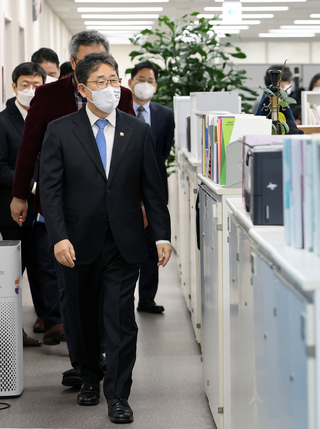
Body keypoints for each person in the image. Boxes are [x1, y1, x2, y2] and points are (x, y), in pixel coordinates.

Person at [39, 52, 171, 424]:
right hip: (76, 243)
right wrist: (58, 237)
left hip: (123, 240)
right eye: (100, 81)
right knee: (81, 318)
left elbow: (152, 188)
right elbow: (50, 190)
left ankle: (118, 394)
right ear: (82, 89)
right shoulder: (60, 130)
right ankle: (89, 376)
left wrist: (161, 234)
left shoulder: (137, 130)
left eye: (114, 80)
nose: (110, 88)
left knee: (120, 319)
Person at [11, 30, 136, 389]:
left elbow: (132, 153)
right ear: (72, 63)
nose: (95, 68)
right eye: (85, 61)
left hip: (111, 211)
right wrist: (21, 194)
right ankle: (84, 363)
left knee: (109, 294)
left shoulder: (121, 95)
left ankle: (103, 362)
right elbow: (28, 146)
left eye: (102, 60)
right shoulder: (49, 95)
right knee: (74, 292)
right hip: (65, 209)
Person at [0, 62, 50, 348]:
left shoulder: (49, 118)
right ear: (14, 86)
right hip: (12, 210)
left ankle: (53, 321)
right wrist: (30, 186)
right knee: (12, 275)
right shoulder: (3, 121)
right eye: (25, 85)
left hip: (43, 210)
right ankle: (9, 334)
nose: (31, 91)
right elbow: (1, 166)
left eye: (37, 85)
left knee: (46, 266)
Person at [128, 61, 175, 314]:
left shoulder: (165, 115)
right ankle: (123, 296)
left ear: (156, 86)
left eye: (150, 80)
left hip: (154, 188)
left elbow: (162, 153)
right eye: (141, 79)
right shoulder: (120, 109)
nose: (145, 84)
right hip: (125, 189)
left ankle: (147, 297)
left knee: (151, 245)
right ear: (130, 81)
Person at [255, 65, 302, 134]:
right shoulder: (266, 102)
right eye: (288, 81)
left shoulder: (260, 101)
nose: (289, 84)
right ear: (279, 82)